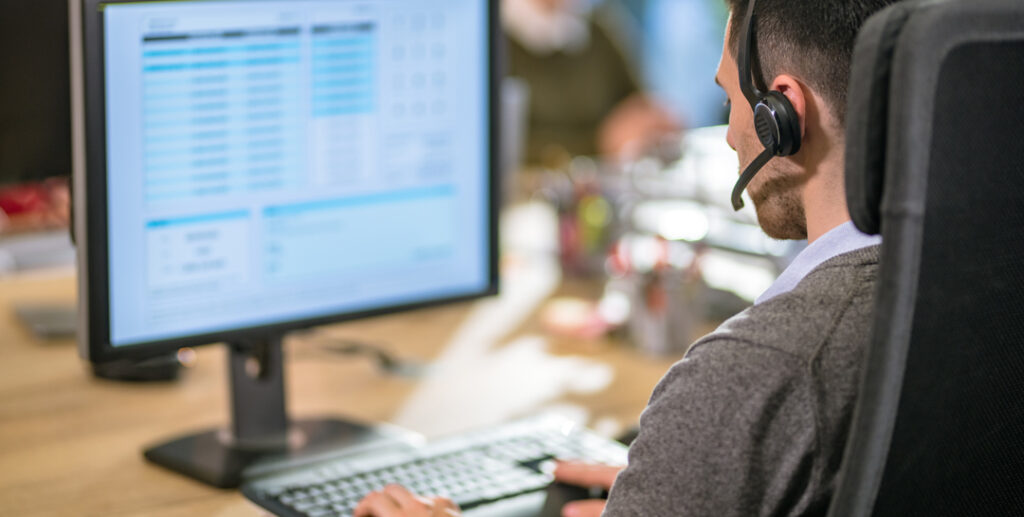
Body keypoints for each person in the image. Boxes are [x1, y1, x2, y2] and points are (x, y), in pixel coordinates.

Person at [353, 0, 895, 515]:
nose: (730, 134)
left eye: (730, 100)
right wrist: (678, 490)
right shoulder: (954, 294)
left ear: (785, 114)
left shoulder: (749, 372)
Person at [503, 0, 678, 166]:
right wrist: (601, 144)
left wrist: (655, 122)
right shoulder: (494, 39)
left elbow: (639, 105)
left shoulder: (599, 28)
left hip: (609, 184)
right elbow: (506, 149)